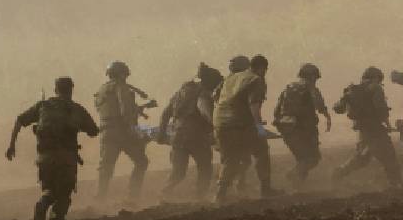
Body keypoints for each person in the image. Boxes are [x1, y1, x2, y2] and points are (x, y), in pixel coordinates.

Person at [6, 77, 99, 220]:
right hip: (66, 158)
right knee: (64, 194)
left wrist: (11, 145)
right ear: (71, 90)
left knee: (49, 190)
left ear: (55, 90)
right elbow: (93, 131)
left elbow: (20, 120)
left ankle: (42, 205)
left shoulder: (43, 106)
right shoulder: (76, 109)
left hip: (45, 157)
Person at [159, 63, 223, 199]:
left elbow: (166, 113)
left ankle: (164, 194)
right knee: (205, 168)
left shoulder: (180, 92)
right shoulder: (203, 94)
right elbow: (205, 112)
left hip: (177, 135)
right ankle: (200, 197)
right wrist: (217, 128)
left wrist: (161, 132)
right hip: (196, 136)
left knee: (178, 172)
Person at [213, 54, 271, 202]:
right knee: (261, 151)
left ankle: (220, 194)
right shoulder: (255, 79)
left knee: (229, 159)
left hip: (220, 123)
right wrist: (260, 128)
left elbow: (216, 97)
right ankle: (266, 189)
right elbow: (254, 107)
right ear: (262, 68)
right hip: (239, 124)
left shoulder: (230, 78)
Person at [331, 67, 402, 188]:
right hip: (375, 129)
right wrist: (388, 124)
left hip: (363, 129)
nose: (379, 82)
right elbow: (381, 109)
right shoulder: (375, 88)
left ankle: (340, 172)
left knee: (362, 158)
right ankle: (396, 184)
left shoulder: (353, 90)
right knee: (389, 156)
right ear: (375, 78)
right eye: (379, 80)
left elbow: (338, 108)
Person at [93, 60, 150, 202]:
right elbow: (124, 110)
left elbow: (109, 110)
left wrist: (140, 109)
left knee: (106, 167)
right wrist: (132, 129)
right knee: (141, 161)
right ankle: (133, 196)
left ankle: (100, 198)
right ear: (121, 74)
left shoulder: (102, 90)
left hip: (106, 132)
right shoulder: (121, 87)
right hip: (122, 131)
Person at [273, 63, 331, 186]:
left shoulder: (288, 88)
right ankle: (292, 176)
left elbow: (277, 111)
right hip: (303, 129)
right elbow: (319, 105)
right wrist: (327, 117)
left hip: (287, 129)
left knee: (303, 158)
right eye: (315, 77)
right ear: (311, 76)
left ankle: (297, 184)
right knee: (312, 159)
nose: (315, 80)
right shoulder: (310, 89)